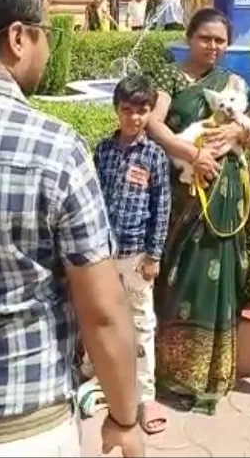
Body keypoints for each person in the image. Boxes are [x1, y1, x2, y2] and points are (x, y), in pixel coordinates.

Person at [0, 0, 143, 458]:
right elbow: (103, 311)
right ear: (17, 38)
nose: (48, 46)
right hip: (22, 427)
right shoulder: (52, 148)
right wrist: (125, 418)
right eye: (46, 32)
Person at [147, 7, 250, 413]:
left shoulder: (233, 83)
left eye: (220, 40)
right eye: (204, 38)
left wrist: (235, 131)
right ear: (189, 37)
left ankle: (215, 374)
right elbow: (153, 124)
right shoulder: (167, 77)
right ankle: (175, 373)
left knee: (221, 276)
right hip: (185, 192)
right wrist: (190, 153)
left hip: (225, 192)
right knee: (181, 275)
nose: (212, 47)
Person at [94, 74, 171, 435]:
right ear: (116, 110)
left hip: (137, 257)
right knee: (102, 319)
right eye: (127, 110)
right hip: (103, 258)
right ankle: (102, 384)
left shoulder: (155, 155)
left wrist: (154, 255)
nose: (134, 118)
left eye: (142, 111)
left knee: (141, 324)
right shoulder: (102, 151)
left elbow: (162, 209)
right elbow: (91, 204)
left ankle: (145, 396)